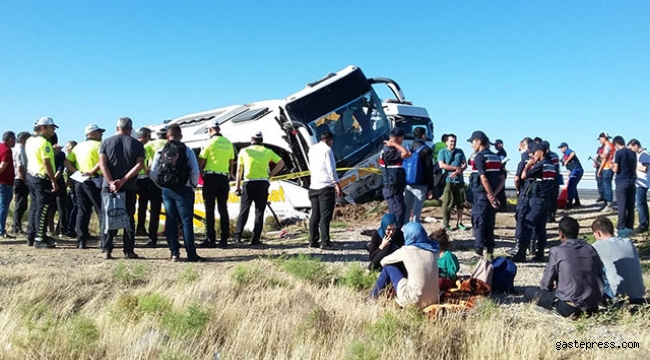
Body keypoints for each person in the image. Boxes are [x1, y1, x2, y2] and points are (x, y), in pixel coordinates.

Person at [524, 216, 604, 318]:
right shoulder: (590, 249)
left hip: (569, 307)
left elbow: (545, 284)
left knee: (529, 292)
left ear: (561, 234)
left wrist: (553, 287)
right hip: (592, 307)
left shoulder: (557, 251)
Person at [150, 124, 203, 262]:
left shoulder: (160, 151)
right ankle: (191, 254)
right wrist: (192, 185)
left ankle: (174, 253)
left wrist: (161, 185)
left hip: (167, 190)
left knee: (170, 220)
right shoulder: (187, 150)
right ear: (181, 136)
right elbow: (195, 171)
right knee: (186, 222)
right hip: (184, 189)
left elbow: (153, 172)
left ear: (167, 136)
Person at [98, 117, 145, 259]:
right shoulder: (137, 145)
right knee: (129, 218)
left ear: (117, 128)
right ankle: (129, 251)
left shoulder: (105, 142)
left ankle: (107, 249)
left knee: (108, 216)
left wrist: (111, 181)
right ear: (130, 129)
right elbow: (139, 165)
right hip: (129, 186)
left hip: (108, 187)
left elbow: (102, 164)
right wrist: (124, 180)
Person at [369, 222, 440, 309]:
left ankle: (372, 298)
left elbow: (383, 262)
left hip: (413, 301)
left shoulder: (406, 250)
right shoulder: (432, 250)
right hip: (434, 299)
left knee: (389, 268)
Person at [233, 131, 285, 246]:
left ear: (251, 139)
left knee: (244, 210)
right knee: (259, 211)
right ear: (261, 140)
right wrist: (271, 174)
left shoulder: (244, 151)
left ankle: (237, 236)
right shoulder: (267, 151)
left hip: (248, 183)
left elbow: (239, 170)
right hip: (262, 183)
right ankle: (255, 238)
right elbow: (281, 163)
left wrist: (237, 186)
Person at [511, 143, 556, 262]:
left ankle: (521, 254)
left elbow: (524, 176)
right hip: (546, 200)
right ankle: (539, 253)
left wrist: (528, 165)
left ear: (540, 152)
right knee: (541, 228)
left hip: (536, 199)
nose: (533, 156)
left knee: (528, 224)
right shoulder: (551, 165)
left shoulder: (540, 165)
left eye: (534, 154)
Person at [65, 124, 105, 249]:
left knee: (82, 210)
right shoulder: (100, 145)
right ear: (92, 134)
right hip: (94, 180)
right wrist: (92, 171)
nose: (101, 134)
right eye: (99, 132)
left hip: (80, 181)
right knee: (101, 210)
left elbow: (67, 162)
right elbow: (102, 161)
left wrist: (76, 172)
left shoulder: (78, 147)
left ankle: (81, 240)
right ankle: (104, 239)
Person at [197, 120, 235, 248]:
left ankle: (210, 239)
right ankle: (224, 239)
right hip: (224, 178)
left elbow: (200, 162)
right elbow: (231, 162)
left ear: (209, 130)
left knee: (209, 209)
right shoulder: (229, 143)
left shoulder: (208, 142)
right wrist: (229, 174)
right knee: (223, 209)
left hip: (211, 177)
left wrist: (201, 174)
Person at [590, 216, 645, 302]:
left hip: (617, 295)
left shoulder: (597, 246)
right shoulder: (629, 242)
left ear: (598, 233)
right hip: (639, 294)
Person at [467, 130, 504, 258]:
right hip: (491, 195)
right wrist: (494, 195)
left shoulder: (479, 157)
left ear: (478, 142)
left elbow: (484, 179)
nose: (471, 145)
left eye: (472, 142)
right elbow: (502, 179)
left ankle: (478, 253)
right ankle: (490, 253)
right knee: (489, 224)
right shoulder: (496, 157)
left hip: (481, 196)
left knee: (479, 224)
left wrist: (489, 194)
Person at [25, 117, 59, 248]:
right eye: (51, 127)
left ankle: (32, 235)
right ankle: (39, 238)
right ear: (43, 128)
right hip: (41, 178)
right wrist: (53, 179)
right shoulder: (45, 143)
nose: (53, 130)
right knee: (43, 207)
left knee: (34, 206)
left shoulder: (30, 141)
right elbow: (46, 163)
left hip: (32, 176)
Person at [307, 131, 342, 249]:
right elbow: (331, 169)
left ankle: (313, 241)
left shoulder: (312, 149)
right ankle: (325, 242)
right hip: (325, 186)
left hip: (313, 186)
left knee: (315, 215)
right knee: (325, 216)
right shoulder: (328, 150)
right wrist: (336, 184)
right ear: (330, 140)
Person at [135, 127, 163, 247]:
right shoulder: (152, 145)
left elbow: (140, 160)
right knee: (154, 207)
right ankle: (147, 230)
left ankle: (140, 227)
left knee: (141, 205)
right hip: (152, 179)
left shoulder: (144, 146)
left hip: (139, 178)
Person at [380, 127, 410, 230]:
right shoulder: (389, 151)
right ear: (399, 138)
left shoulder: (391, 149)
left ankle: (397, 237)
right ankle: (393, 238)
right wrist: (395, 145)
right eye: (401, 138)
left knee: (401, 210)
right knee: (398, 212)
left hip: (396, 187)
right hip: (392, 187)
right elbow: (407, 154)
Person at [404, 127, 434, 224]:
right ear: (423, 135)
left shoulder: (408, 148)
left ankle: (403, 230)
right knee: (416, 212)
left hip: (407, 183)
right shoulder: (426, 150)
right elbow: (429, 169)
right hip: (421, 184)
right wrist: (431, 187)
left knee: (406, 210)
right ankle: (415, 231)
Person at [438, 133, 467, 231]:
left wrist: (459, 171)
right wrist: (456, 169)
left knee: (461, 202)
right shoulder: (442, 152)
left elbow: (464, 164)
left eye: (454, 141)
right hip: (448, 180)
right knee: (447, 203)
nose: (453, 143)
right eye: (451, 141)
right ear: (446, 142)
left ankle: (459, 222)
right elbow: (442, 165)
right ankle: (446, 223)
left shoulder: (460, 151)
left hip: (459, 181)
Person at [611, 135, 637, 238]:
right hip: (632, 182)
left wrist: (612, 166)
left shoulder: (619, 153)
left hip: (622, 182)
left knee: (622, 207)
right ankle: (629, 228)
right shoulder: (633, 153)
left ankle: (620, 229)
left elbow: (616, 169)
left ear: (616, 144)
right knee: (630, 207)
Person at [45, 134, 68, 237]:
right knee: (61, 207)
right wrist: (54, 180)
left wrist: (50, 180)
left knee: (50, 207)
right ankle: (61, 230)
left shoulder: (46, 151)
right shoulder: (60, 154)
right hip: (59, 183)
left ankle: (50, 229)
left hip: (46, 181)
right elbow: (60, 169)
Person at [627, 139, 649, 234]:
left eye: (631, 148)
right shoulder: (641, 154)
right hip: (639, 183)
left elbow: (645, 168)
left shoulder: (644, 154)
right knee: (642, 203)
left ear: (635, 145)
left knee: (640, 204)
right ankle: (644, 223)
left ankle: (643, 224)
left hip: (642, 183)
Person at [11, 131, 30, 236]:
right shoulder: (20, 150)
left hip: (20, 178)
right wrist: (25, 181)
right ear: (23, 139)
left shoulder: (18, 149)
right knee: (20, 204)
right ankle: (16, 226)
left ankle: (17, 225)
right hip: (20, 179)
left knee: (22, 204)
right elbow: (20, 167)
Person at [557, 142, 583, 209]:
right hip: (573, 171)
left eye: (561, 148)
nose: (560, 150)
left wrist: (566, 161)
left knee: (571, 185)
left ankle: (569, 202)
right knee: (573, 185)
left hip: (577, 170)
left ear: (565, 147)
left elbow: (573, 153)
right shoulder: (564, 156)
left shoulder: (568, 151)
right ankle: (577, 201)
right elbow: (568, 166)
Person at [0, 131, 16, 238]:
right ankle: (1, 230)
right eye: (14, 139)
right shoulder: (6, 150)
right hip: (4, 183)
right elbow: (2, 166)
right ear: (9, 139)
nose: (15, 141)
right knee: (3, 206)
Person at [597, 132, 616, 210]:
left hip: (607, 167)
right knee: (607, 185)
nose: (600, 141)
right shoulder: (612, 145)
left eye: (600, 139)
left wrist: (599, 169)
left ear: (603, 138)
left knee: (606, 186)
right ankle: (607, 203)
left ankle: (609, 204)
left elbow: (604, 159)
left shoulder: (607, 146)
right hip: (611, 167)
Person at [63, 140, 78, 237]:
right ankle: (69, 229)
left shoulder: (75, 159)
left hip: (73, 186)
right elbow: (67, 173)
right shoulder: (68, 160)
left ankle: (69, 228)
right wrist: (68, 182)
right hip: (71, 187)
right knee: (75, 207)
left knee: (71, 208)